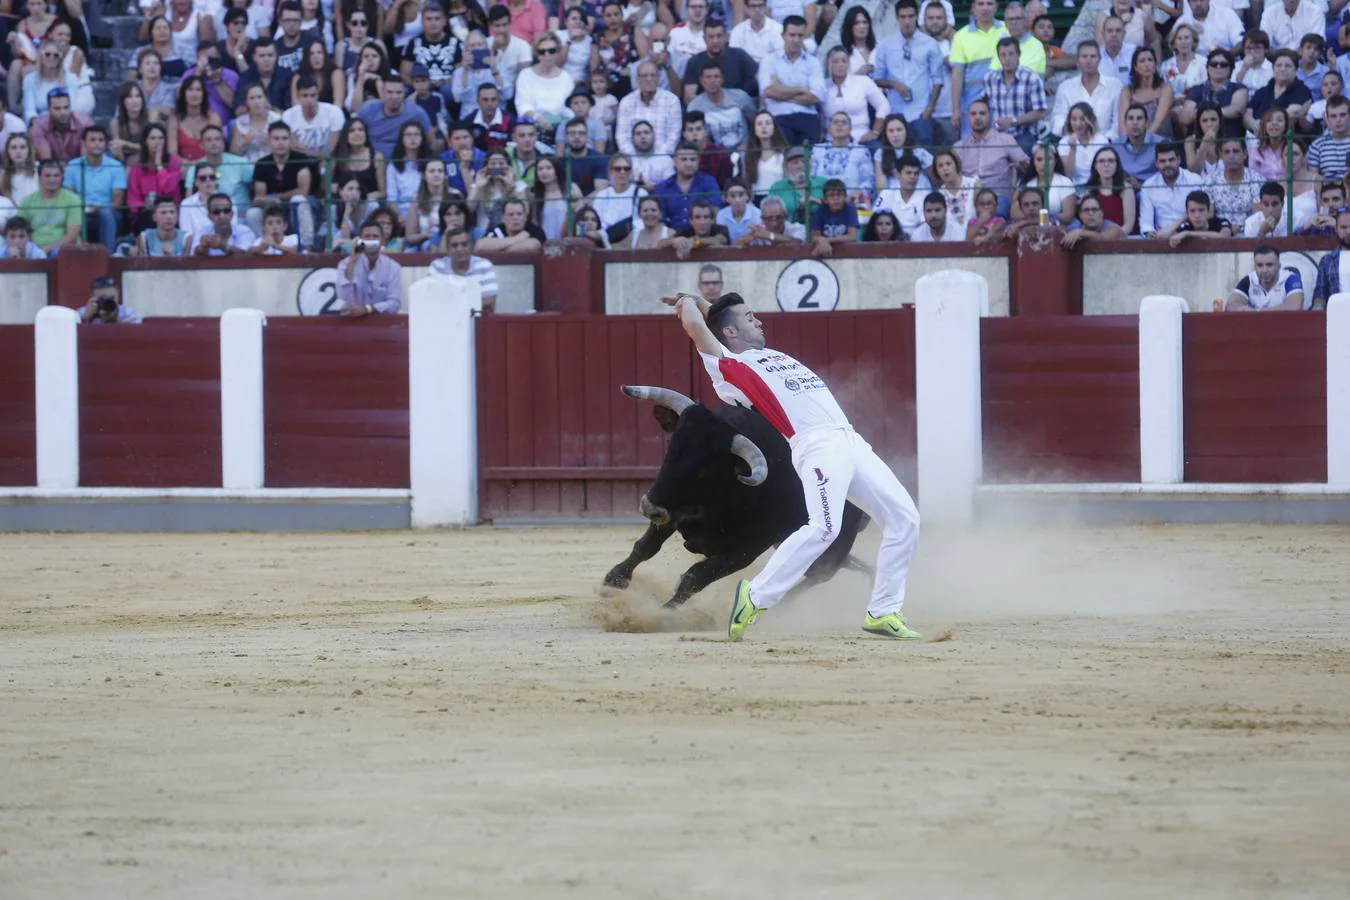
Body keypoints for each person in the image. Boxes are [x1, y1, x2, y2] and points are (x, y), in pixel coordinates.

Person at [665, 290, 923, 642]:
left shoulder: (762, 354)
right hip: (815, 444)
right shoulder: (728, 365)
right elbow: (698, 325)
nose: (758, 320)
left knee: (904, 519)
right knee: (823, 528)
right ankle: (755, 597)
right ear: (729, 333)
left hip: (850, 439)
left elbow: (714, 318)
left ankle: (883, 611)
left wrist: (706, 303)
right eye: (749, 316)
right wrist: (688, 301)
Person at [871, 0, 943, 147]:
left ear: (917, 17)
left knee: (926, 157)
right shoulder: (885, 45)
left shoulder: (930, 44)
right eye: (903, 17)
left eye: (910, 16)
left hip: (921, 113)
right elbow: (877, 78)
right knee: (897, 158)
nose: (907, 21)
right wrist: (893, 84)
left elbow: (938, 80)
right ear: (897, 18)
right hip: (895, 113)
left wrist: (929, 109)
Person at [757, 15, 825, 146]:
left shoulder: (813, 62)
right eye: (792, 35)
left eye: (800, 35)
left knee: (808, 162)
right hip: (779, 118)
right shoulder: (769, 60)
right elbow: (767, 91)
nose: (796, 40)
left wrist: (780, 92)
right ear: (783, 35)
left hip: (807, 117)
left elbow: (816, 97)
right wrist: (801, 89)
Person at [62, 123, 125, 252]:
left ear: (106, 144)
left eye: (100, 140)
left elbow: (117, 202)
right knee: (74, 215)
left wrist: (99, 208)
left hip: (108, 213)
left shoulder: (116, 166)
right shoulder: (73, 166)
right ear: (84, 143)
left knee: (105, 214)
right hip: (80, 212)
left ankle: (108, 256)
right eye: (92, 140)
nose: (97, 144)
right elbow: (69, 198)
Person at [948, 0, 1009, 133]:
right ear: (973, 8)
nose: (985, 8)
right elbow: (957, 75)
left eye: (989, 3)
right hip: (972, 99)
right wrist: (956, 110)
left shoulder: (1007, 30)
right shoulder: (961, 36)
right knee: (970, 144)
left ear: (996, 7)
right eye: (980, 4)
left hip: (1003, 97)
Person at [980, 36, 1046, 156]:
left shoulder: (1031, 78)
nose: (1007, 59)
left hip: (1024, 135)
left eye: (1011, 54)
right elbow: (982, 105)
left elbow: (1040, 112)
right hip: (997, 135)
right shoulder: (990, 79)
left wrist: (1013, 121)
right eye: (1003, 55)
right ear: (998, 57)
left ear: (1018, 55)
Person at [1051, 41, 1122, 139]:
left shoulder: (1115, 85)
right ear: (1077, 61)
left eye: (1093, 56)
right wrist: (1073, 136)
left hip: (1106, 145)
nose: (1088, 60)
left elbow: (1117, 122)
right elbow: (1058, 119)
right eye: (1084, 57)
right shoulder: (1065, 87)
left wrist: (1103, 141)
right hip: (1073, 143)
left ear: (1100, 60)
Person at [615, 61, 682, 156]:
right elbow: (621, 137)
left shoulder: (671, 100)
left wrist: (658, 157)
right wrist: (634, 158)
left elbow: (673, 137)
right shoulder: (626, 102)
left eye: (653, 75)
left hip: (663, 157)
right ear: (637, 79)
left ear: (658, 79)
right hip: (633, 159)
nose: (649, 79)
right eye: (644, 76)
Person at [653, 142, 722, 231]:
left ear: (698, 161)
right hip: (672, 238)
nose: (688, 164)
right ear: (674, 161)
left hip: (704, 236)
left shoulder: (709, 182)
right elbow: (660, 219)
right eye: (684, 159)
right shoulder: (662, 188)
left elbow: (716, 209)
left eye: (693, 159)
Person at [357, 78, 435, 157]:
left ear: (404, 93)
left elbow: (431, 143)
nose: (394, 97)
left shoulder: (417, 113)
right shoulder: (368, 110)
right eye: (389, 92)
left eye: (398, 92)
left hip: (404, 163)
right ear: (382, 93)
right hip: (373, 161)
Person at [684, 19, 758, 102]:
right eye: (711, 37)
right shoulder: (694, 62)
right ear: (704, 39)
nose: (715, 41)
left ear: (726, 37)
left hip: (737, 107)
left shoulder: (740, 55)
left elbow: (759, 78)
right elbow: (689, 97)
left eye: (719, 36)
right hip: (706, 110)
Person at [18, 159, 81, 255]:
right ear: (39, 178)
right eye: (47, 176)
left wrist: (46, 249)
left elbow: (72, 235)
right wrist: (33, 250)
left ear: (62, 177)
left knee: (58, 252)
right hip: (33, 250)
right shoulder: (27, 201)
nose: (52, 180)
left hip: (62, 250)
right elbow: (20, 231)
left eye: (56, 176)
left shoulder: (73, 200)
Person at [1138, 141, 1203, 234]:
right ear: (1156, 163)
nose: (1167, 164)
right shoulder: (1148, 186)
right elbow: (1146, 224)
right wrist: (1150, 235)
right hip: (1161, 240)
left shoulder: (1194, 181)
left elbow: (1202, 215)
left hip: (1190, 236)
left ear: (1179, 160)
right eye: (1162, 161)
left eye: (1171, 160)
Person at [428, 227, 499, 310]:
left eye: (464, 244)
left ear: (472, 247)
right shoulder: (437, 266)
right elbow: (430, 299)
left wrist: (451, 303)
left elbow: (489, 304)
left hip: (475, 321)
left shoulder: (484, 265)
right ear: (447, 249)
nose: (460, 249)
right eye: (455, 245)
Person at [1227, 245, 1307, 311]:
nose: (1264, 270)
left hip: (1285, 327)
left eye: (1269, 265)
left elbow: (1295, 306)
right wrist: (1242, 308)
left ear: (1279, 266)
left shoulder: (1290, 278)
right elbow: (1230, 305)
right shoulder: (1249, 280)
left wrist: (1260, 312)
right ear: (1254, 267)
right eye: (1260, 265)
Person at [27, 89, 91, 163]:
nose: (63, 112)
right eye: (57, 109)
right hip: (50, 171)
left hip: (77, 170)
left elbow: (85, 162)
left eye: (66, 107)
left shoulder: (85, 124)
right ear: (49, 109)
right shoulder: (39, 126)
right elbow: (47, 162)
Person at [1155, 189, 1232, 245]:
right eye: (1192, 211)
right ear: (1187, 212)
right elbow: (1161, 236)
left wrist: (1187, 233)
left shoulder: (1220, 222)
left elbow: (1224, 236)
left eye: (1201, 210)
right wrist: (1183, 218)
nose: (1197, 215)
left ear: (1208, 211)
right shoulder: (1187, 226)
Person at [475, 195, 545, 251]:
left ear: (525, 217)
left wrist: (497, 249)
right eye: (511, 214)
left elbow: (532, 246)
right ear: (503, 218)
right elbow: (480, 246)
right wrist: (517, 238)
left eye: (519, 214)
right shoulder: (497, 231)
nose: (515, 218)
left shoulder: (534, 230)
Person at [1060, 191, 1128, 246]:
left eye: (1094, 209)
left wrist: (1081, 233)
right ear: (1080, 215)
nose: (1091, 213)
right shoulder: (1078, 229)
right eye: (1086, 210)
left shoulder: (1113, 228)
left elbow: (1104, 240)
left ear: (1101, 213)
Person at [729, 0, 783, 66]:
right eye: (753, 6)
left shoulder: (778, 29)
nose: (757, 10)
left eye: (760, 5)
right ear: (746, 8)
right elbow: (734, 58)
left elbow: (780, 58)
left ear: (766, 7)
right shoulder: (737, 31)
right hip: (746, 72)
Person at [737, 194, 804, 244]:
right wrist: (746, 239)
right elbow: (737, 245)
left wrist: (768, 235)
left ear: (785, 215)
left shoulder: (797, 228)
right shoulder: (758, 232)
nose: (774, 223)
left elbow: (796, 241)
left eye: (778, 217)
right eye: (769, 219)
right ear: (762, 219)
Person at [78, 276, 143, 325]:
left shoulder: (129, 314)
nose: (108, 303)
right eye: (102, 299)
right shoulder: (82, 313)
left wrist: (118, 322)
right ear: (92, 297)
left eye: (111, 298)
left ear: (118, 295)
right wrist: (85, 318)